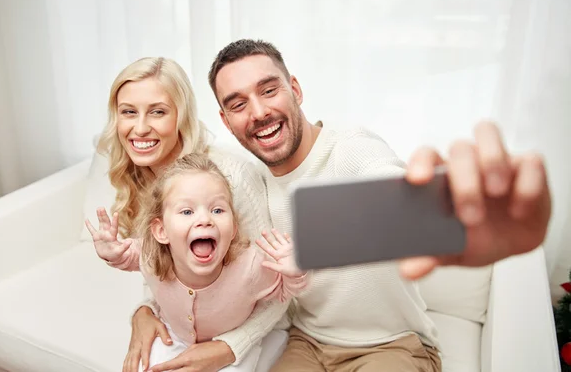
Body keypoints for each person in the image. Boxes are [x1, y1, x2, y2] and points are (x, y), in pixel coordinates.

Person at [142, 38, 551, 372]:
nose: (259, 111)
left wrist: (453, 209)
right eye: (238, 103)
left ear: (295, 90)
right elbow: (193, 243)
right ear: (226, 120)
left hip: (391, 346)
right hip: (306, 344)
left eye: (269, 90)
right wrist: (146, 310)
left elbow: (394, 190)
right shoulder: (248, 181)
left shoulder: (351, 148)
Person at [85, 56, 293, 372]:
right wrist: (145, 311)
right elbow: (161, 265)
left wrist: (229, 347)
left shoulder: (230, 177)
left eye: (157, 112)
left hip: (249, 327)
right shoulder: (139, 173)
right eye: (129, 112)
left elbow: (275, 287)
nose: (140, 128)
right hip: (187, 323)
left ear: (182, 117)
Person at [87, 153, 308, 370]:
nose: (204, 219)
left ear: (233, 229)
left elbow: (283, 293)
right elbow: (126, 256)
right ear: (161, 231)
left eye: (217, 210)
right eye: (187, 211)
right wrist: (112, 252)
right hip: (174, 336)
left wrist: (294, 271)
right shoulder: (149, 254)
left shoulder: (250, 267)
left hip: (230, 345)